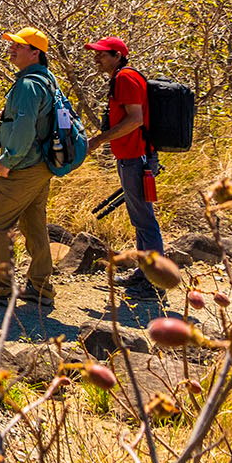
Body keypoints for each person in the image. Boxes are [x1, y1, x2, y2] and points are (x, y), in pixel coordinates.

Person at [0, 27, 58, 308]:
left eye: (20, 45)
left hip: (24, 165)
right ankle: (40, 288)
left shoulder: (29, 84)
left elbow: (22, 128)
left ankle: (1, 288)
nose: (12, 48)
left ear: (35, 53)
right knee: (34, 225)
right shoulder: (47, 80)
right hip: (42, 165)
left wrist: (8, 161)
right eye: (13, 44)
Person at [84, 36, 166, 296]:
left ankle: (154, 282)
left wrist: (98, 140)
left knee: (145, 221)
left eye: (103, 54)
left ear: (118, 55)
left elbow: (135, 120)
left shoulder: (125, 78)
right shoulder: (121, 77)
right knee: (140, 219)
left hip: (136, 157)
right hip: (133, 156)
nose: (97, 58)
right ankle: (144, 274)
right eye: (96, 54)